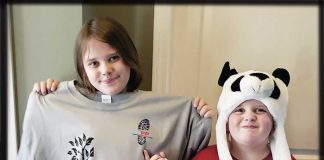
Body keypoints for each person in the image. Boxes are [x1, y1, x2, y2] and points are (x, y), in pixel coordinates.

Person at [17, 17, 214, 160]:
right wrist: (45, 96)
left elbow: (196, 140)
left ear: (129, 58)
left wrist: (199, 115)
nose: (106, 70)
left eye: (113, 58)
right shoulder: (50, 101)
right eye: (94, 63)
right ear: (82, 68)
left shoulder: (166, 111)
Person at [193, 62, 296, 160]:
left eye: (260, 110)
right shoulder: (205, 157)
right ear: (226, 122)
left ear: (274, 122)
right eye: (240, 110)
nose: (249, 117)